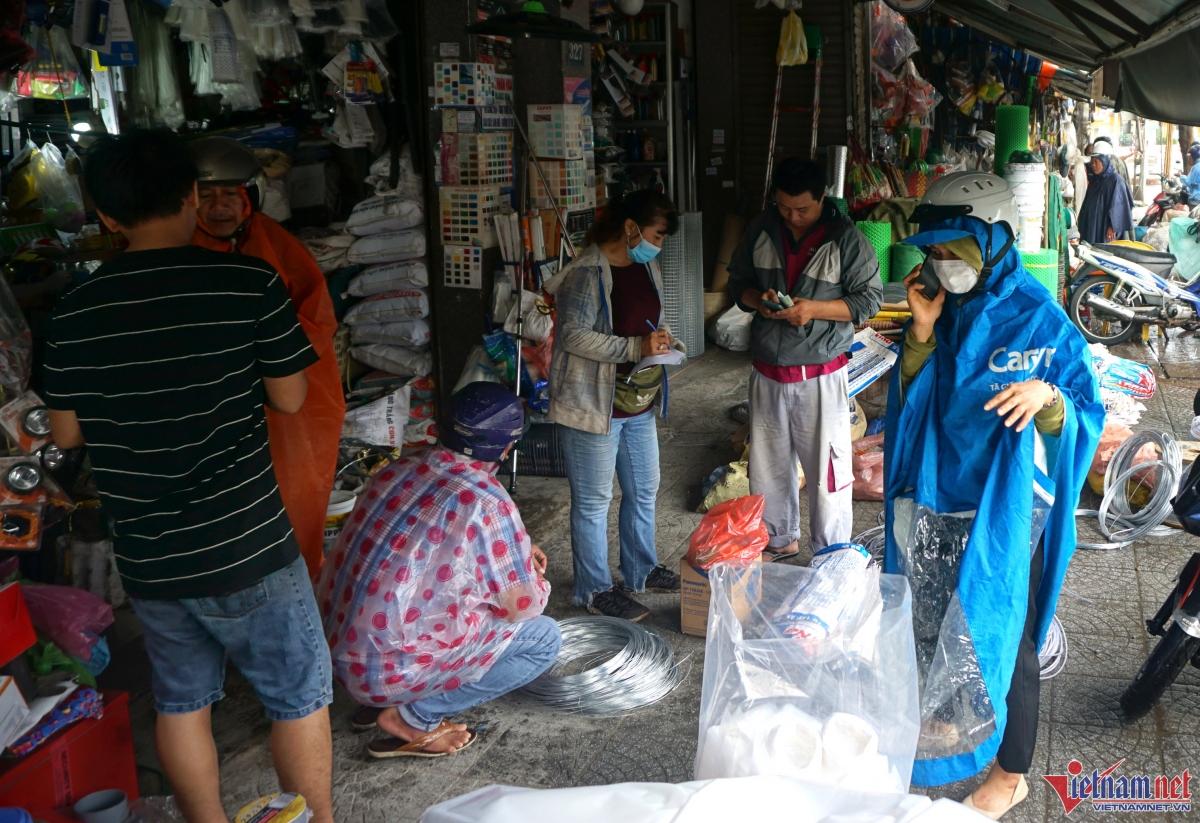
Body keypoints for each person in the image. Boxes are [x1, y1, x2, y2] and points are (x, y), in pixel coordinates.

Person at [44, 131, 334, 823]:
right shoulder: (246, 283)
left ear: (106, 217)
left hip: (151, 554)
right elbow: (292, 397)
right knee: (298, 697)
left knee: (182, 702)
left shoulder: (72, 312)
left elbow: (64, 435)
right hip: (248, 542)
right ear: (189, 198)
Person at [884, 172, 1104, 817]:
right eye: (935, 252)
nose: (942, 264)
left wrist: (1050, 399)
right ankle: (957, 724)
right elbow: (914, 401)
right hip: (941, 491)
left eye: (956, 251)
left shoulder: (1043, 320)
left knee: (1009, 634)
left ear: (996, 238)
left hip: (1009, 509)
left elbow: (1085, 409)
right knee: (942, 616)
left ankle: (1010, 776)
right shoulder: (943, 310)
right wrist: (921, 333)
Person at [317, 383, 559, 757]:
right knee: (544, 638)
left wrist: (518, 546)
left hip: (335, 652)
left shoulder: (399, 468)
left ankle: (385, 700)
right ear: (507, 447)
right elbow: (522, 606)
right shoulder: (488, 501)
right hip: (386, 671)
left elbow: (425, 555)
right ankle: (414, 715)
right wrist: (530, 573)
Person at [191, 136, 344, 578]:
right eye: (206, 196)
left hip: (284, 400)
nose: (219, 207)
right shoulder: (178, 253)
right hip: (211, 404)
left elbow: (317, 318)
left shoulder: (275, 244)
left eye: (230, 196)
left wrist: (265, 362)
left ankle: (294, 575)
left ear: (250, 199)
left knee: (292, 494)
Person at [726, 157, 883, 561]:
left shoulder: (846, 240)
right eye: (784, 208)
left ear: (822, 198)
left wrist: (813, 310)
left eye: (803, 209)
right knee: (768, 469)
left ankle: (831, 555)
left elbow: (869, 301)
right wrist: (755, 301)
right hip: (767, 372)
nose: (793, 217)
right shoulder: (761, 229)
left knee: (828, 474)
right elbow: (738, 283)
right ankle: (778, 541)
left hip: (820, 374)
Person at [544, 189, 683, 622]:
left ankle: (640, 569)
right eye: (656, 235)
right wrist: (632, 346)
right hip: (592, 404)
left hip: (635, 402)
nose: (658, 245)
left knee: (644, 489)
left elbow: (647, 323)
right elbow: (573, 336)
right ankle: (595, 589)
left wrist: (660, 342)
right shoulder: (588, 272)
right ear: (630, 228)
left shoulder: (645, 265)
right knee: (593, 501)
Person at [1078, 144, 1134, 243]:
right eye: (1092, 162)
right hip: (1092, 227)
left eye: (1096, 162)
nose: (1093, 165)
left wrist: (1113, 227)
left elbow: (1120, 206)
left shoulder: (1116, 181)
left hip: (1105, 230)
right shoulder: (1096, 180)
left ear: (1104, 161)